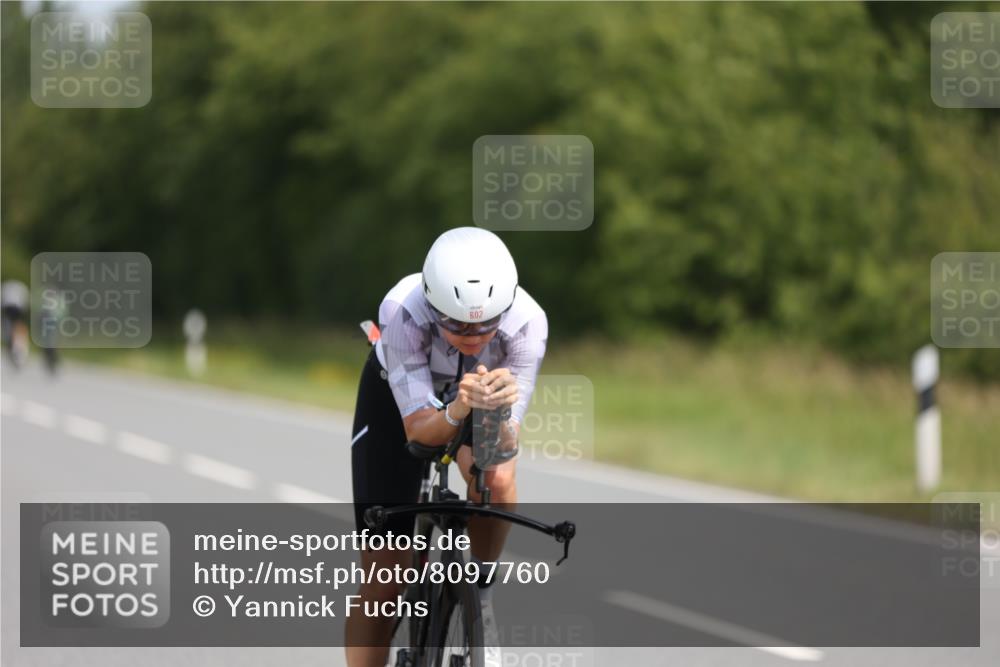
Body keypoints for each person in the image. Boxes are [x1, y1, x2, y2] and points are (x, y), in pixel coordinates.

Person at [346, 227, 547, 667]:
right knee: (384, 582)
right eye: (455, 324)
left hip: (479, 394)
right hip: (397, 401)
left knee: (494, 473)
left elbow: (505, 444)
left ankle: (482, 590)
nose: (473, 336)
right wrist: (457, 407)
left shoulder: (527, 323)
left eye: (486, 325)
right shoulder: (401, 309)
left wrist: (499, 414)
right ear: (431, 304)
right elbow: (418, 432)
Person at [1, 279, 30, 368]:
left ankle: (13, 344)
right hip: (17, 308)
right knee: (16, 326)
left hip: (8, 308)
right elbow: (25, 300)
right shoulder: (21, 285)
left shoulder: (6, 285)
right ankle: (16, 344)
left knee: (10, 327)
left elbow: (3, 298)